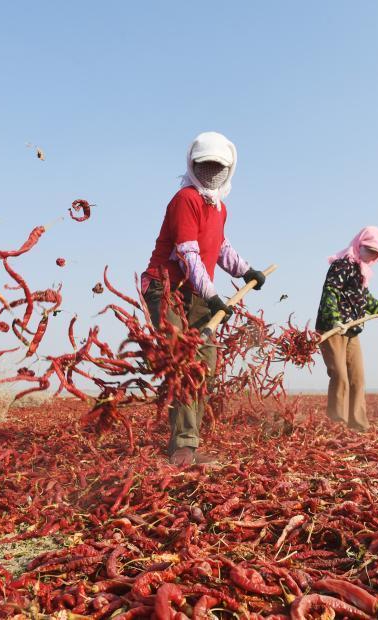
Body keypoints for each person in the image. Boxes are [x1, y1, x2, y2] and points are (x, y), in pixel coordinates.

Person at [141, 131, 265, 466]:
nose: (211, 172)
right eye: (204, 165)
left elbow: (219, 248)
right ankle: (184, 448)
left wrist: (246, 271)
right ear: (193, 165)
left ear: (229, 169)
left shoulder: (218, 207)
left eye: (218, 167)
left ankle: (186, 441)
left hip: (196, 291)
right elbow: (187, 253)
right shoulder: (186, 199)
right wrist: (213, 296)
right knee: (183, 361)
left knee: (203, 365)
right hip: (165, 288)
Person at [315, 226, 378, 432]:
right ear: (360, 245)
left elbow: (363, 299)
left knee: (357, 378)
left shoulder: (361, 270)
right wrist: (334, 320)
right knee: (339, 374)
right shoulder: (343, 264)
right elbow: (330, 291)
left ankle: (357, 425)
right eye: (370, 250)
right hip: (332, 329)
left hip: (352, 331)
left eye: (376, 253)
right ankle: (336, 423)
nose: (372, 255)